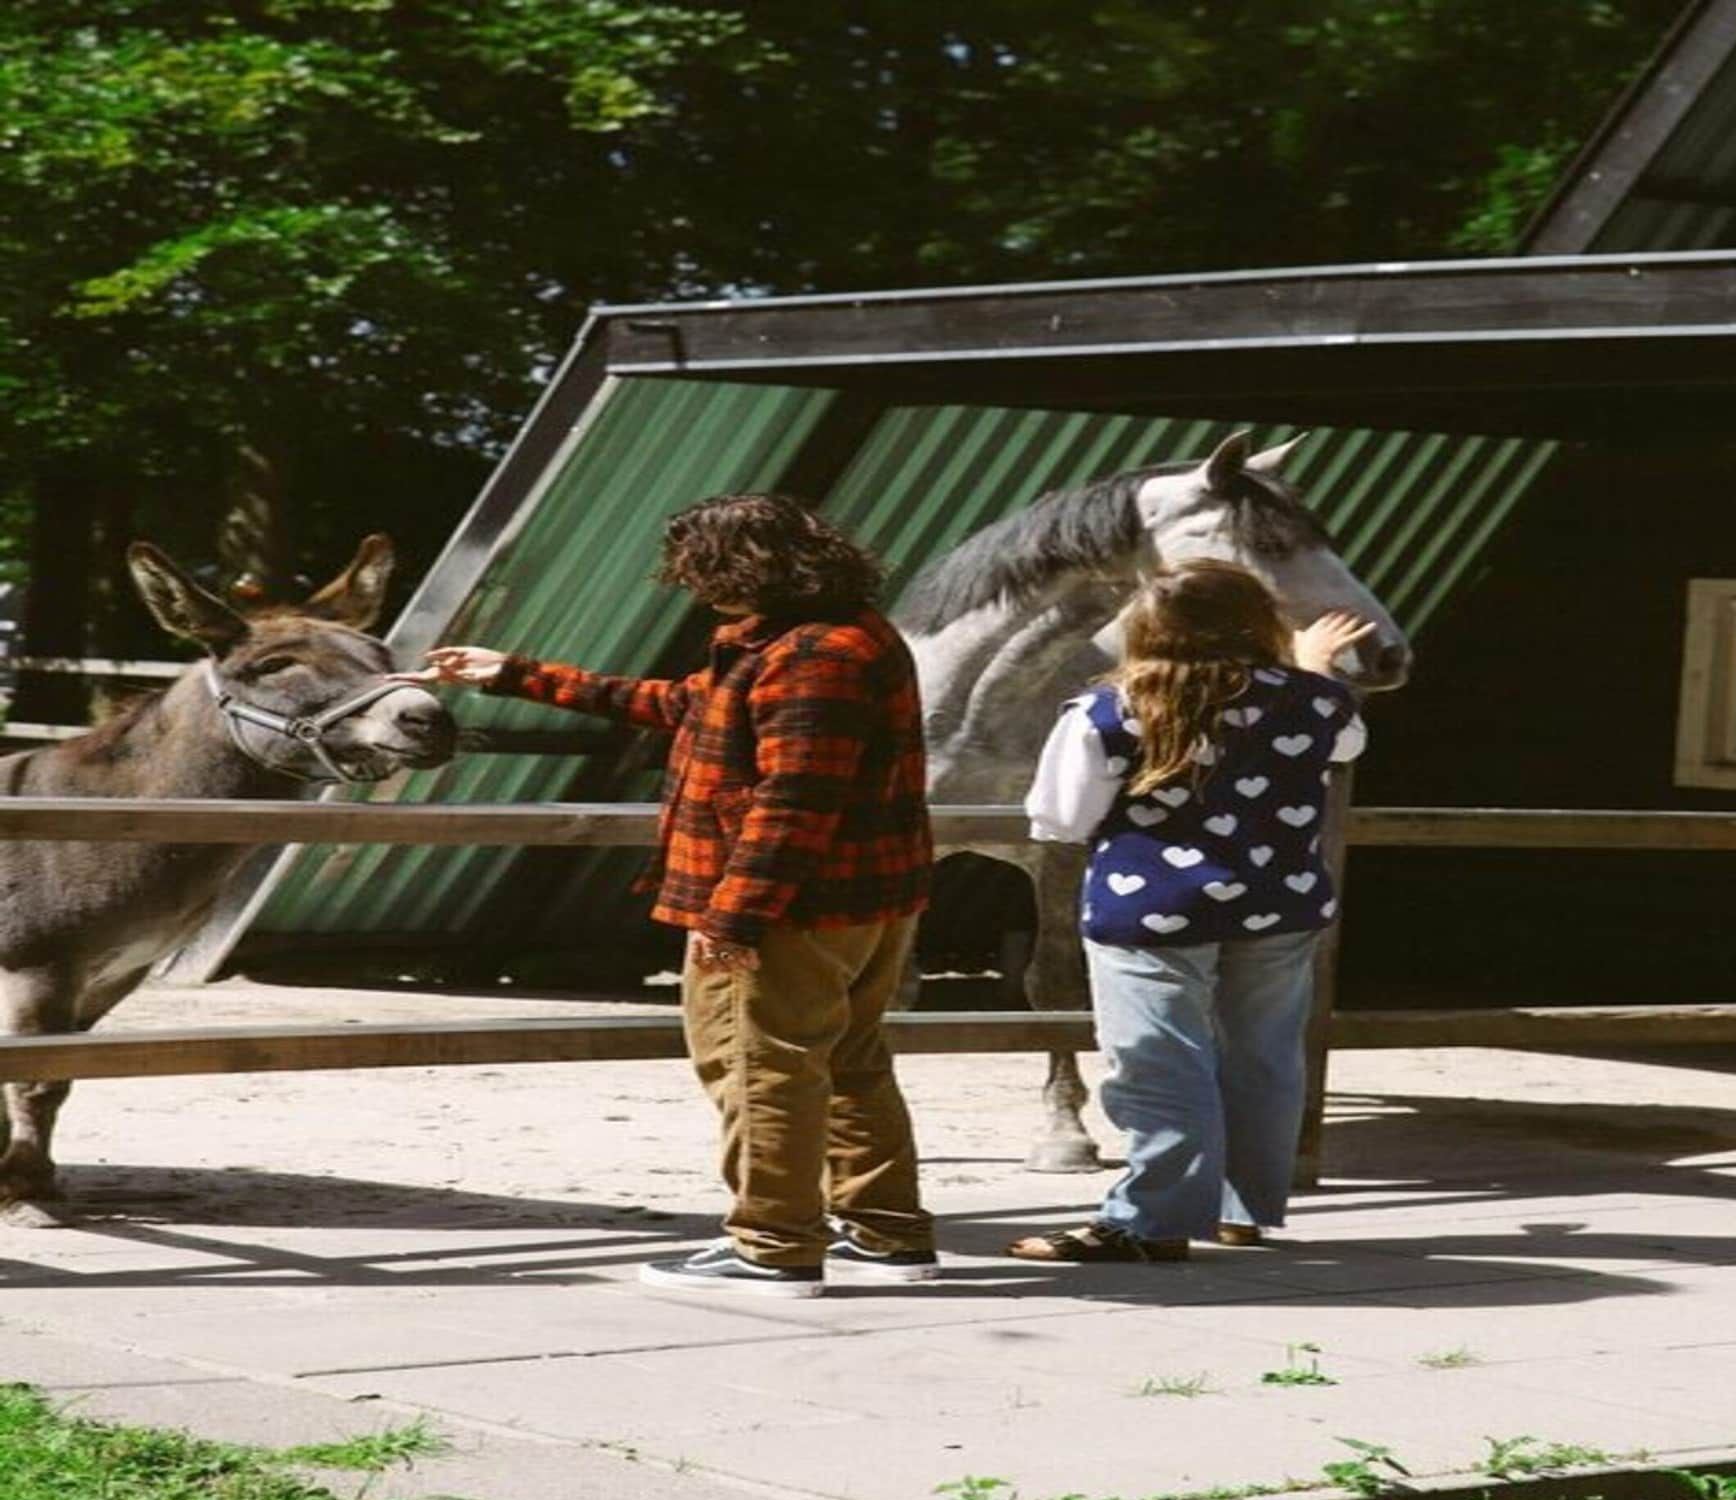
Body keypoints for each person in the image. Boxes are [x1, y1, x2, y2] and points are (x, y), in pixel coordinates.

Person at [399, 493, 938, 1298]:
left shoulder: (813, 655)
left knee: (761, 1068)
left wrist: (734, 916)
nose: (690, 586)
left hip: (794, 906)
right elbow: (680, 705)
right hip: (861, 898)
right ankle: (887, 1234)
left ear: (739, 567)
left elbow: (793, 801)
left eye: (699, 569)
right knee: (850, 1061)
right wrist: (515, 675)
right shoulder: (820, 636)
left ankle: (774, 1246)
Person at [1009, 558, 1370, 1262]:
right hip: (1280, 904)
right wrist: (1311, 669)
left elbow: (1057, 818)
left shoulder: (1110, 710)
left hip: (1150, 909)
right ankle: (1245, 1209)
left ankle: (1152, 1221)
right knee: (1265, 1058)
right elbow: (1346, 742)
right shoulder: (1316, 703)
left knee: (1160, 1063)